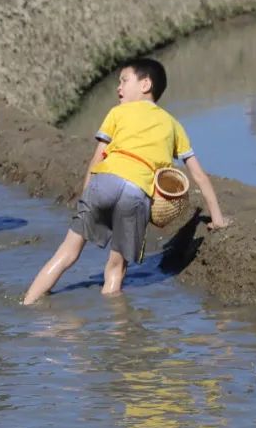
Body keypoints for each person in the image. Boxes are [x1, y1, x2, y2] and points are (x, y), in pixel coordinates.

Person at [23, 58, 231, 305]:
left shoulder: (117, 112)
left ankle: (28, 303)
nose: (118, 87)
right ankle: (117, 337)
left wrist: (86, 196)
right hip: (136, 191)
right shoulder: (173, 125)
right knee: (115, 268)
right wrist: (217, 219)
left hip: (103, 182)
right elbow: (198, 175)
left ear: (145, 84)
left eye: (123, 80)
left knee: (67, 253)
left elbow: (96, 158)